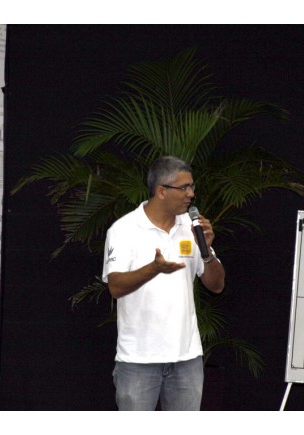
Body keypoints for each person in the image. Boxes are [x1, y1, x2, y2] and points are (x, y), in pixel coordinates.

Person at [102, 155, 225, 411]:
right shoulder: (124, 230)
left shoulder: (193, 228)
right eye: (184, 187)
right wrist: (153, 268)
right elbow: (115, 287)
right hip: (138, 361)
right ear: (161, 191)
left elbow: (217, 286)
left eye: (192, 186)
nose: (191, 194)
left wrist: (207, 252)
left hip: (187, 360)